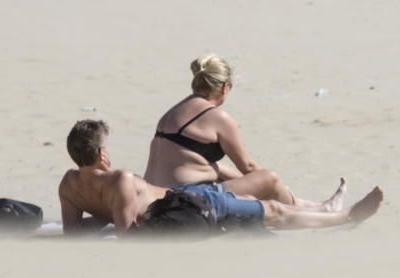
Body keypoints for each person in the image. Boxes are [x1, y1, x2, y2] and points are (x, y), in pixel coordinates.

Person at [59, 120, 382, 235]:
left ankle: (325, 210)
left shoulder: (69, 185)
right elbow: (130, 234)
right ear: (102, 154)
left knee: (261, 207)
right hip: (189, 203)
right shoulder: (121, 180)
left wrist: (109, 219)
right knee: (272, 211)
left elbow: (73, 232)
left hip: (182, 205)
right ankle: (344, 217)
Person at [144, 54, 344, 212]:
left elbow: (194, 161)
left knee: (217, 167)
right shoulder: (216, 117)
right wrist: (276, 188)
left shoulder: (171, 113)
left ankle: (303, 203)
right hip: (185, 197)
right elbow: (248, 167)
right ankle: (313, 209)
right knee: (268, 179)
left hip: (153, 193)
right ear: (224, 87)